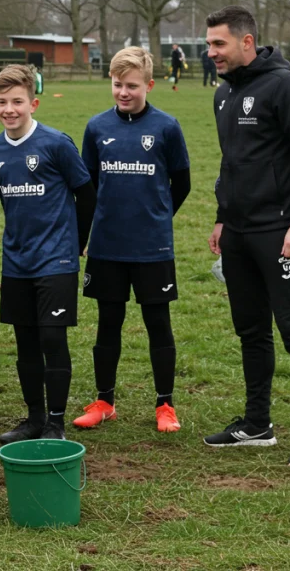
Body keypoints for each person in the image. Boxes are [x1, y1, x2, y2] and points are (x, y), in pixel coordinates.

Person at [203, 5, 290, 470]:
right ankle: (257, 423)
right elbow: (230, 164)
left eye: (219, 43)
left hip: (281, 231)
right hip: (237, 232)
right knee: (251, 329)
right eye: (209, 43)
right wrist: (222, 217)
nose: (211, 51)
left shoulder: (285, 86)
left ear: (246, 42)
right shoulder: (223, 95)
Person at [74, 47, 191, 433]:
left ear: (149, 85)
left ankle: (165, 405)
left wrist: (156, 217)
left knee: (158, 321)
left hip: (151, 247)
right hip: (107, 245)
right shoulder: (96, 128)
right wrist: (85, 236)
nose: (124, 92)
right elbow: (87, 187)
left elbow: (183, 183)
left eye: (132, 86)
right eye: (117, 84)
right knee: (109, 321)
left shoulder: (166, 127)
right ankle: (105, 401)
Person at [0, 64, 96, 444]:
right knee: (26, 342)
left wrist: (78, 241)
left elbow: (86, 192)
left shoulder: (56, 144)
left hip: (57, 259)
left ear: (33, 102)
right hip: (16, 261)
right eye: (2, 102)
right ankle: (33, 418)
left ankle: (56, 422)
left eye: (17, 101)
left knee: (52, 339)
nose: (9, 109)